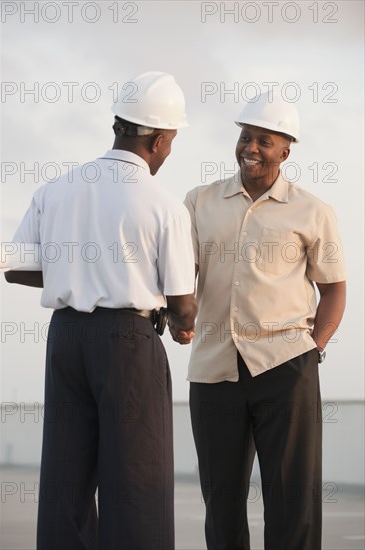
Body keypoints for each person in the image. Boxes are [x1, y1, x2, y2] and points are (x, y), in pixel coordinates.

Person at [3, 71, 197, 550]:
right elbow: (182, 302)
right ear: (156, 139)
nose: (168, 152)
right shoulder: (163, 204)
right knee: (137, 482)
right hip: (128, 343)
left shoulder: (57, 189)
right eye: (170, 142)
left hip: (66, 338)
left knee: (65, 478)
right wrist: (182, 327)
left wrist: (76, 273)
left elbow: (14, 267)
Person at [179, 92, 346, 550]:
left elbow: (334, 289)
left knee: (293, 499)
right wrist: (177, 315)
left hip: (287, 364)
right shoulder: (199, 201)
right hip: (214, 368)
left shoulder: (313, 211)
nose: (250, 148)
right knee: (222, 499)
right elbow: (182, 277)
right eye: (245, 137)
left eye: (264, 141)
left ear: (286, 151)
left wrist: (316, 346)